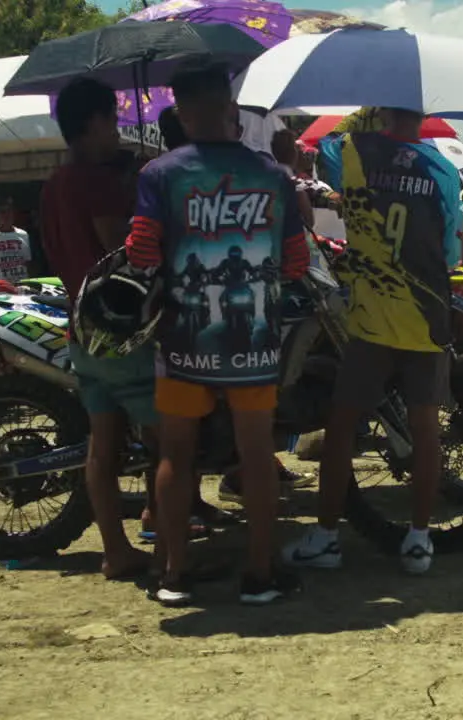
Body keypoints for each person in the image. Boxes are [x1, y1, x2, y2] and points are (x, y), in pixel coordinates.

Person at [124, 58, 310, 606]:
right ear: (230, 109)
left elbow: (140, 251)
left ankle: (174, 575)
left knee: (175, 456)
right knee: (256, 454)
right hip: (253, 339)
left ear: (180, 112)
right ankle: (258, 573)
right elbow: (297, 261)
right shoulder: (272, 175)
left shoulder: (159, 174)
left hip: (183, 340)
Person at [286, 107, 460, 576]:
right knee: (425, 430)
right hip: (426, 315)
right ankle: (419, 541)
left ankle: (325, 537)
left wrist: (362, 117)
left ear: (378, 112)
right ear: (420, 116)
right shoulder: (441, 168)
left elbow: (312, 148)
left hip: (372, 318)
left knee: (342, 427)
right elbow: (451, 249)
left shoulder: (350, 152)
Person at [40, 77, 155, 581]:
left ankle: (115, 549)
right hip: (123, 328)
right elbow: (123, 250)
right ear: (91, 123)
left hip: (80, 325)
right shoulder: (96, 182)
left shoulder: (53, 183)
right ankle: (170, 549)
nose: (117, 128)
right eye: (111, 118)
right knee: (165, 443)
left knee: (102, 445)